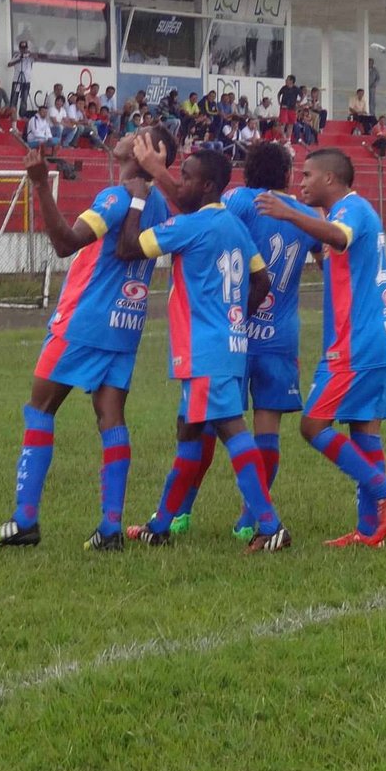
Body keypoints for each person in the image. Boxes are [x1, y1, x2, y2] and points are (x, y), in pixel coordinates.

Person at [0, 125, 178, 550]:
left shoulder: (115, 197)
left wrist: (39, 187)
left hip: (85, 321)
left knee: (40, 408)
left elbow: (66, 244)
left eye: (137, 132)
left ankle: (25, 519)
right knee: (111, 419)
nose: (126, 134)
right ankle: (110, 528)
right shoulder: (157, 202)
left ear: (145, 152)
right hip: (127, 323)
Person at [116, 146, 286, 552]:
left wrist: (139, 198)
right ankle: (161, 523)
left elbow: (127, 247)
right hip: (226, 344)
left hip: (204, 348)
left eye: (187, 177)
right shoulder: (233, 225)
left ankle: (270, 525)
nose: (180, 182)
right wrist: (234, 319)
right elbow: (262, 282)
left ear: (208, 185)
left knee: (230, 427)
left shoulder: (191, 226)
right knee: (189, 432)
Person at [155, 141, 325, 539]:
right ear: (285, 174)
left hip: (232, 332)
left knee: (203, 423)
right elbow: (326, 255)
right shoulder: (303, 214)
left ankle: (180, 512)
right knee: (265, 430)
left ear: (247, 173)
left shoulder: (239, 202)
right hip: (280, 335)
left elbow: (201, 219)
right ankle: (251, 518)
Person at [256, 148, 386, 547]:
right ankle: (368, 530)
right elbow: (335, 250)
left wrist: (290, 214)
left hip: (355, 345)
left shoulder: (350, 211)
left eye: (308, 175)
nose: (301, 182)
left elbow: (339, 237)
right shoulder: (343, 213)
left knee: (313, 426)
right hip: (376, 339)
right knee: (363, 432)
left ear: (330, 179)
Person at [6, 39, 34, 112]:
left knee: (24, 98)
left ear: (27, 48)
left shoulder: (29, 56)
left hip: (26, 80)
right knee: (14, 97)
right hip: (17, 80)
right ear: (19, 48)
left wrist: (29, 54)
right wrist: (19, 59)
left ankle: (22, 114)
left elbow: (36, 58)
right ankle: (12, 113)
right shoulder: (16, 55)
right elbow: (9, 64)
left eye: (25, 48)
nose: (23, 49)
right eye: (22, 48)